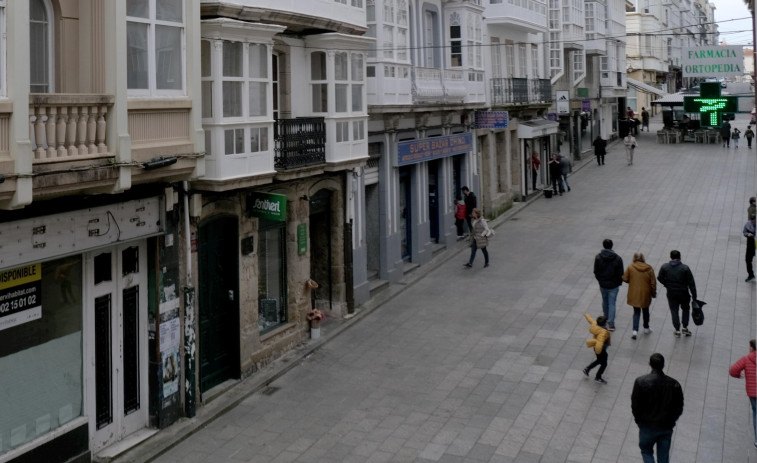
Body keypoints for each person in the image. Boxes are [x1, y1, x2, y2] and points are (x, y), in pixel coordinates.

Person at [632, 353, 684, 463]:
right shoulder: (674, 384)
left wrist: (639, 421)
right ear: (663, 365)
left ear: (649, 364)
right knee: (663, 457)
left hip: (647, 426)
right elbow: (679, 406)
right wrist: (672, 420)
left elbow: (636, 405)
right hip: (666, 426)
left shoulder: (641, 382)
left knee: (646, 451)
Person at [657, 250, 697, 337]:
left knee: (674, 310)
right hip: (683, 293)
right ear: (680, 257)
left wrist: (667, 284)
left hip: (671, 293)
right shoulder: (685, 268)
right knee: (685, 309)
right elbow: (691, 283)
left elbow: (659, 278)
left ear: (671, 257)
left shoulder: (665, 267)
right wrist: (694, 297)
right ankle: (685, 327)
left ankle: (677, 329)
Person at [729, 339, 757, 448]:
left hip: (753, 393)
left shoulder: (746, 359)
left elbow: (733, 370)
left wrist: (738, 375)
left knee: (756, 412)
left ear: (751, 348)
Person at [622, 253, 656, 339]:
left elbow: (625, 278)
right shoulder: (649, 268)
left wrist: (632, 281)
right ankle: (646, 327)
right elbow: (653, 283)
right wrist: (653, 293)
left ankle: (635, 331)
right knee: (645, 310)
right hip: (645, 293)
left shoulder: (631, 267)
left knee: (636, 311)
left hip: (635, 293)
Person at [594, 239, 624, 331]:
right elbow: (621, 273)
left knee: (605, 301)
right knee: (612, 303)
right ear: (612, 246)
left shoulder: (598, 257)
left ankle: (605, 318)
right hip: (614, 285)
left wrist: (600, 280)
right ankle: (611, 323)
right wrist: (618, 282)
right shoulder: (617, 258)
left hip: (603, 284)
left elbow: (596, 271)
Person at [582, 314, 610, 384]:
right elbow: (600, 342)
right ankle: (598, 377)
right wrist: (598, 351)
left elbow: (591, 320)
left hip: (597, 347)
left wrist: (587, 315)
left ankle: (587, 369)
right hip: (600, 349)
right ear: (604, 323)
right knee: (604, 364)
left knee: (599, 360)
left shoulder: (596, 325)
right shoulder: (603, 332)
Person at [744, 215, 755, 282]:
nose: (753, 222)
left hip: (754, 242)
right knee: (748, 259)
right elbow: (744, 232)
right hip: (750, 243)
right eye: (752, 221)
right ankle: (751, 274)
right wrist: (748, 234)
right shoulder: (748, 224)